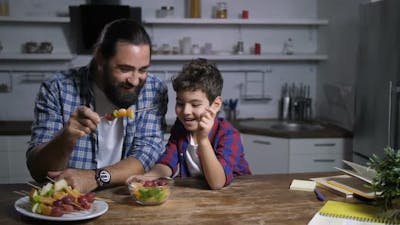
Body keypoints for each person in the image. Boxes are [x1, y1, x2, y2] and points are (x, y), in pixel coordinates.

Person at [26, 19, 168, 193]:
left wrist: (95, 177)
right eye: (125, 69)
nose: (134, 80)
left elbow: (146, 155)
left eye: (143, 70)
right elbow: (39, 172)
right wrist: (66, 138)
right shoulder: (57, 89)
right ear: (100, 57)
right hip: (70, 200)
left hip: (126, 198)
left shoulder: (154, 90)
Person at [144, 58, 251, 190]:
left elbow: (217, 183)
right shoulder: (180, 127)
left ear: (216, 105)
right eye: (180, 103)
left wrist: (203, 139)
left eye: (195, 104)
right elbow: (167, 161)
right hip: (200, 196)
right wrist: (148, 176)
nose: (186, 111)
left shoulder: (228, 134)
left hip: (235, 196)